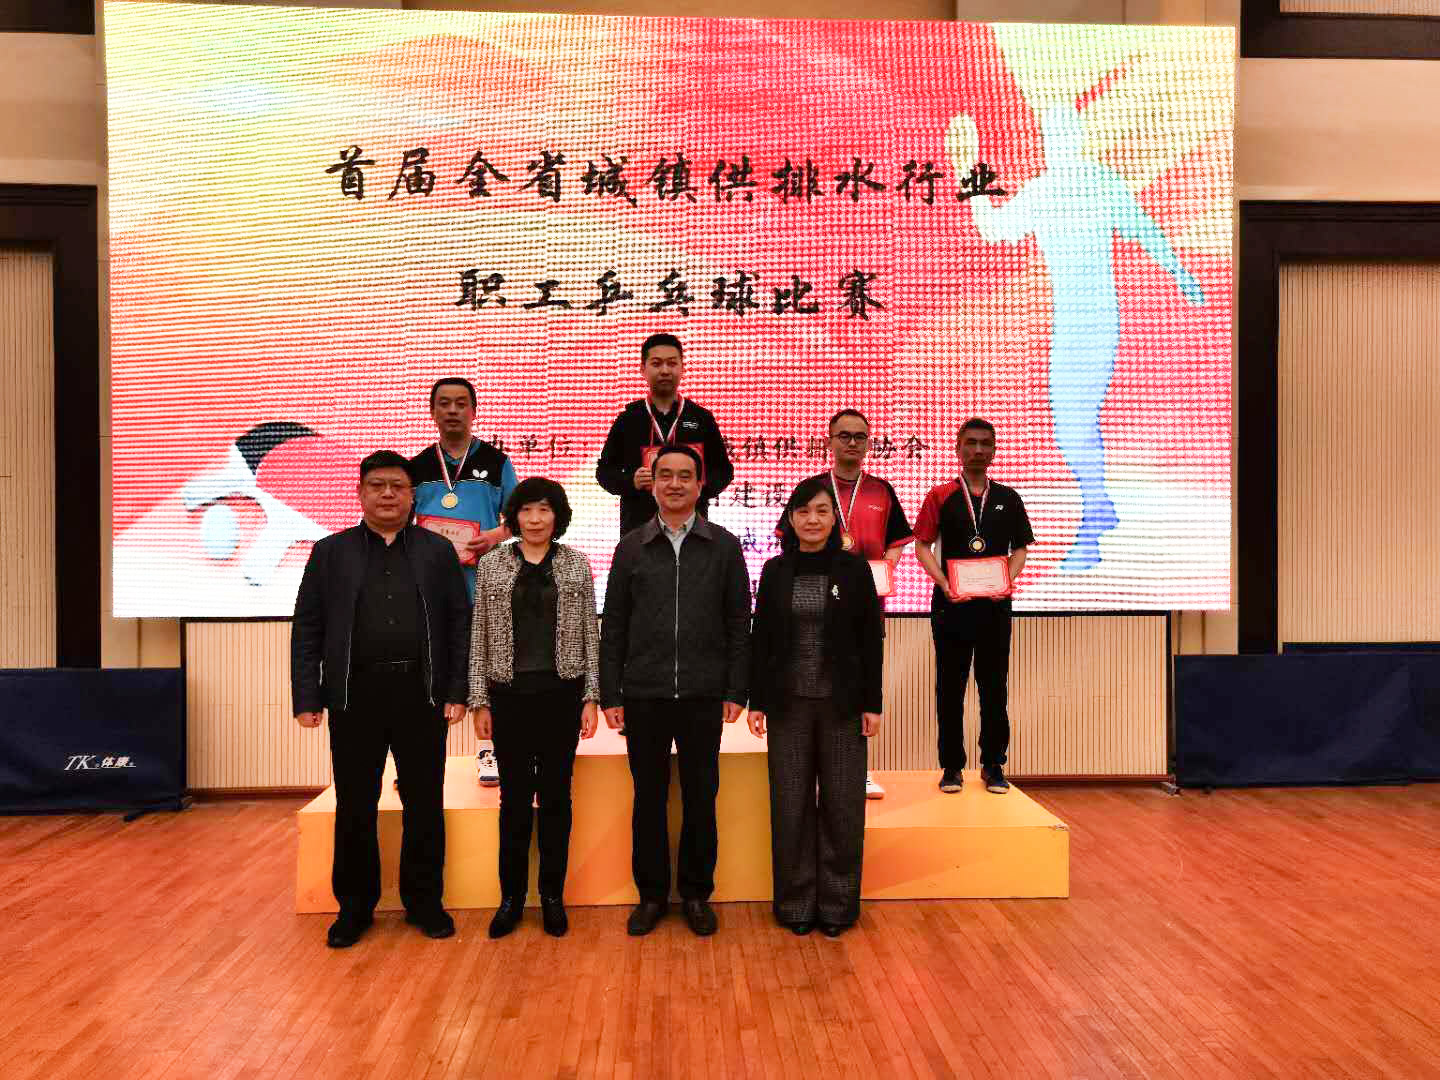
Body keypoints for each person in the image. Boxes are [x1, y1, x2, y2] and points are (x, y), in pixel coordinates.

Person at [948, 105, 1204, 570]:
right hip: (1070, 323)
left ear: (1076, 138)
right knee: (1073, 422)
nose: (1057, 144)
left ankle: (1094, 521)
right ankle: (1100, 507)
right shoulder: (1042, 191)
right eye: (1051, 137)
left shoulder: (1100, 183)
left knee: (1074, 421)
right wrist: (971, 174)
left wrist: (1181, 274)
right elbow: (993, 229)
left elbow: (1146, 231)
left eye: (1063, 135)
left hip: (1097, 319)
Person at [291, 451, 470, 948]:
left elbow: (460, 624)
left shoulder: (437, 551)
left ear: (413, 496)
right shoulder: (330, 552)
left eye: (397, 486)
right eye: (377, 485)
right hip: (355, 697)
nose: (387, 494)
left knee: (424, 802)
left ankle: (424, 902)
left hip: (422, 695)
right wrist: (307, 695)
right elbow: (308, 627)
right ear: (360, 493)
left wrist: (457, 690)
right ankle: (354, 908)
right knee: (355, 804)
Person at [600, 444, 750, 937]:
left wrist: (736, 688)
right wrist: (611, 693)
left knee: (701, 798)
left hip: (704, 693)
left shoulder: (724, 546)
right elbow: (614, 625)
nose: (675, 484)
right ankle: (651, 896)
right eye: (666, 475)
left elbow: (739, 623)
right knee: (648, 798)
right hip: (644, 693)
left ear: (701, 484)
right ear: (653, 483)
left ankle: (696, 895)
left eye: (686, 476)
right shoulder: (630, 546)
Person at [749, 478, 884, 937]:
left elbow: (870, 641)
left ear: (834, 520)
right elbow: (762, 640)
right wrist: (758, 701)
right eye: (804, 511)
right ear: (790, 518)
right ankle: (795, 904)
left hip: (842, 705)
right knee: (791, 806)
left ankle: (838, 905)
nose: (812, 520)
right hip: (788, 705)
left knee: (843, 806)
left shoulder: (854, 570)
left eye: (822, 511)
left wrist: (872, 703)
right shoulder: (774, 571)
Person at [468, 477, 600, 939]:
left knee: (557, 799)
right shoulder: (492, 564)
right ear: (514, 517)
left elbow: (590, 634)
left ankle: (551, 897)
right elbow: (479, 634)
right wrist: (479, 700)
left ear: (557, 516)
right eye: (526, 510)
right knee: (515, 801)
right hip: (509, 697)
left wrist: (591, 697)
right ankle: (511, 898)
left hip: (562, 696)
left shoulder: (576, 564)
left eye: (544, 509)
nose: (536, 519)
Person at [776, 408, 911, 799]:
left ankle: (858, 769)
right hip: (812, 607)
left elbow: (897, 542)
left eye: (859, 436)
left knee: (858, 682)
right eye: (844, 436)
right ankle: (811, 772)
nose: (852, 442)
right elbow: (789, 540)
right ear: (829, 441)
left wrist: (885, 569)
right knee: (811, 686)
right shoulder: (812, 488)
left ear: (868, 443)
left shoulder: (882, 490)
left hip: (863, 608)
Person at [912, 419, 1033, 795]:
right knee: (950, 687)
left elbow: (1020, 549)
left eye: (985, 443)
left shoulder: (1009, 497)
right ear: (958, 448)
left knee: (994, 687)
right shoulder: (940, 495)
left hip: (994, 607)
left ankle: (993, 764)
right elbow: (922, 546)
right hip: (952, 605)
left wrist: (1007, 580)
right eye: (971, 443)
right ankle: (951, 766)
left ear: (994, 450)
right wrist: (943, 583)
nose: (978, 450)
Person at [410, 377, 517, 788]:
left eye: (460, 403)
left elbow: (519, 517)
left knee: (489, 672)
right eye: (444, 403)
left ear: (474, 411)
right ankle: (419, 760)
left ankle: (489, 751)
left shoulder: (497, 462)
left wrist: (494, 535)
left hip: (485, 587)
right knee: (431, 674)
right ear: (432, 411)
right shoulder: (417, 467)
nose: (452, 410)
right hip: (430, 592)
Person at [596, 333, 735, 537]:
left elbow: (724, 470)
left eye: (671, 363)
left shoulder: (701, 418)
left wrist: (698, 485)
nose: (665, 370)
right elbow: (604, 472)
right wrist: (631, 481)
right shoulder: (628, 419)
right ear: (643, 369)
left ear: (682, 368)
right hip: (639, 529)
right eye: (656, 363)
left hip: (692, 531)